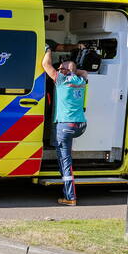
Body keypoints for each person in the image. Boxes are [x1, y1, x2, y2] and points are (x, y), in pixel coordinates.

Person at [41, 46, 88, 206]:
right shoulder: (81, 81)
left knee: (65, 162)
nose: (58, 69)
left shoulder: (61, 80)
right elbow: (83, 73)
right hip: (80, 125)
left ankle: (70, 197)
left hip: (66, 125)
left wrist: (48, 50)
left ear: (65, 71)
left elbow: (46, 65)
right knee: (64, 155)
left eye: (60, 68)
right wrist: (73, 70)